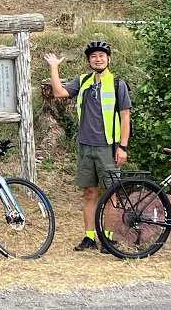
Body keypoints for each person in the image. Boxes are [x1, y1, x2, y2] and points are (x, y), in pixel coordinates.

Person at [45, 40, 131, 252]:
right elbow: (59, 93)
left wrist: (123, 147)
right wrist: (54, 67)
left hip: (108, 148)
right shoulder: (83, 81)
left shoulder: (118, 84)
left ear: (108, 59)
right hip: (85, 147)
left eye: (102, 55)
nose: (98, 58)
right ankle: (89, 237)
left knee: (110, 193)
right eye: (93, 56)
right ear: (89, 61)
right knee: (89, 193)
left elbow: (126, 117)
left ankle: (108, 238)